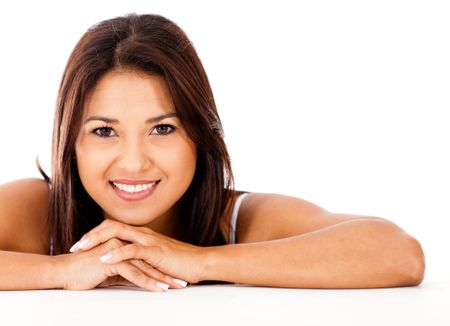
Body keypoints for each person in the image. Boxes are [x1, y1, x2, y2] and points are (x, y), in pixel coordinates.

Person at [0, 13, 425, 291]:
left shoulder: (238, 218)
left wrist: (197, 261)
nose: (133, 161)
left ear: (201, 136)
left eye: (163, 128)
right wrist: (61, 271)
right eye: (104, 131)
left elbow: (399, 254)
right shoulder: (40, 209)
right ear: (70, 140)